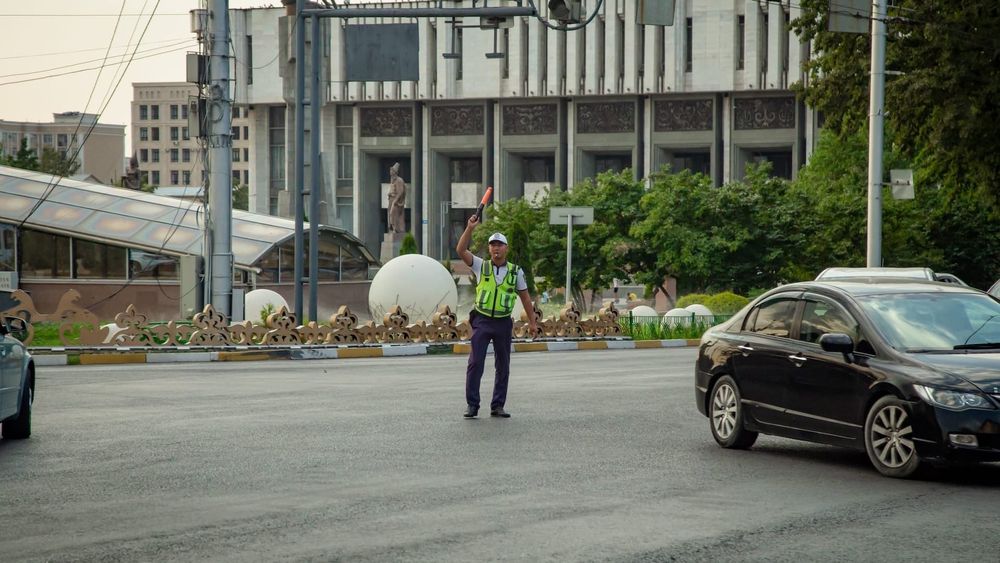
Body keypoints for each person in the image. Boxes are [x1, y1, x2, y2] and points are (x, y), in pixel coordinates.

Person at [456, 215, 538, 419]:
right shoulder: (480, 266)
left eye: (500, 245)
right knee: (476, 363)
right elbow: (460, 251)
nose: (496, 248)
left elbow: (526, 299)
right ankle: (472, 405)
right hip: (482, 321)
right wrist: (469, 228)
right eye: (493, 245)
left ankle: (498, 405)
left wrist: (533, 323)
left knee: (503, 365)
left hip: (502, 322)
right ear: (489, 248)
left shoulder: (515, 272)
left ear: (506, 249)